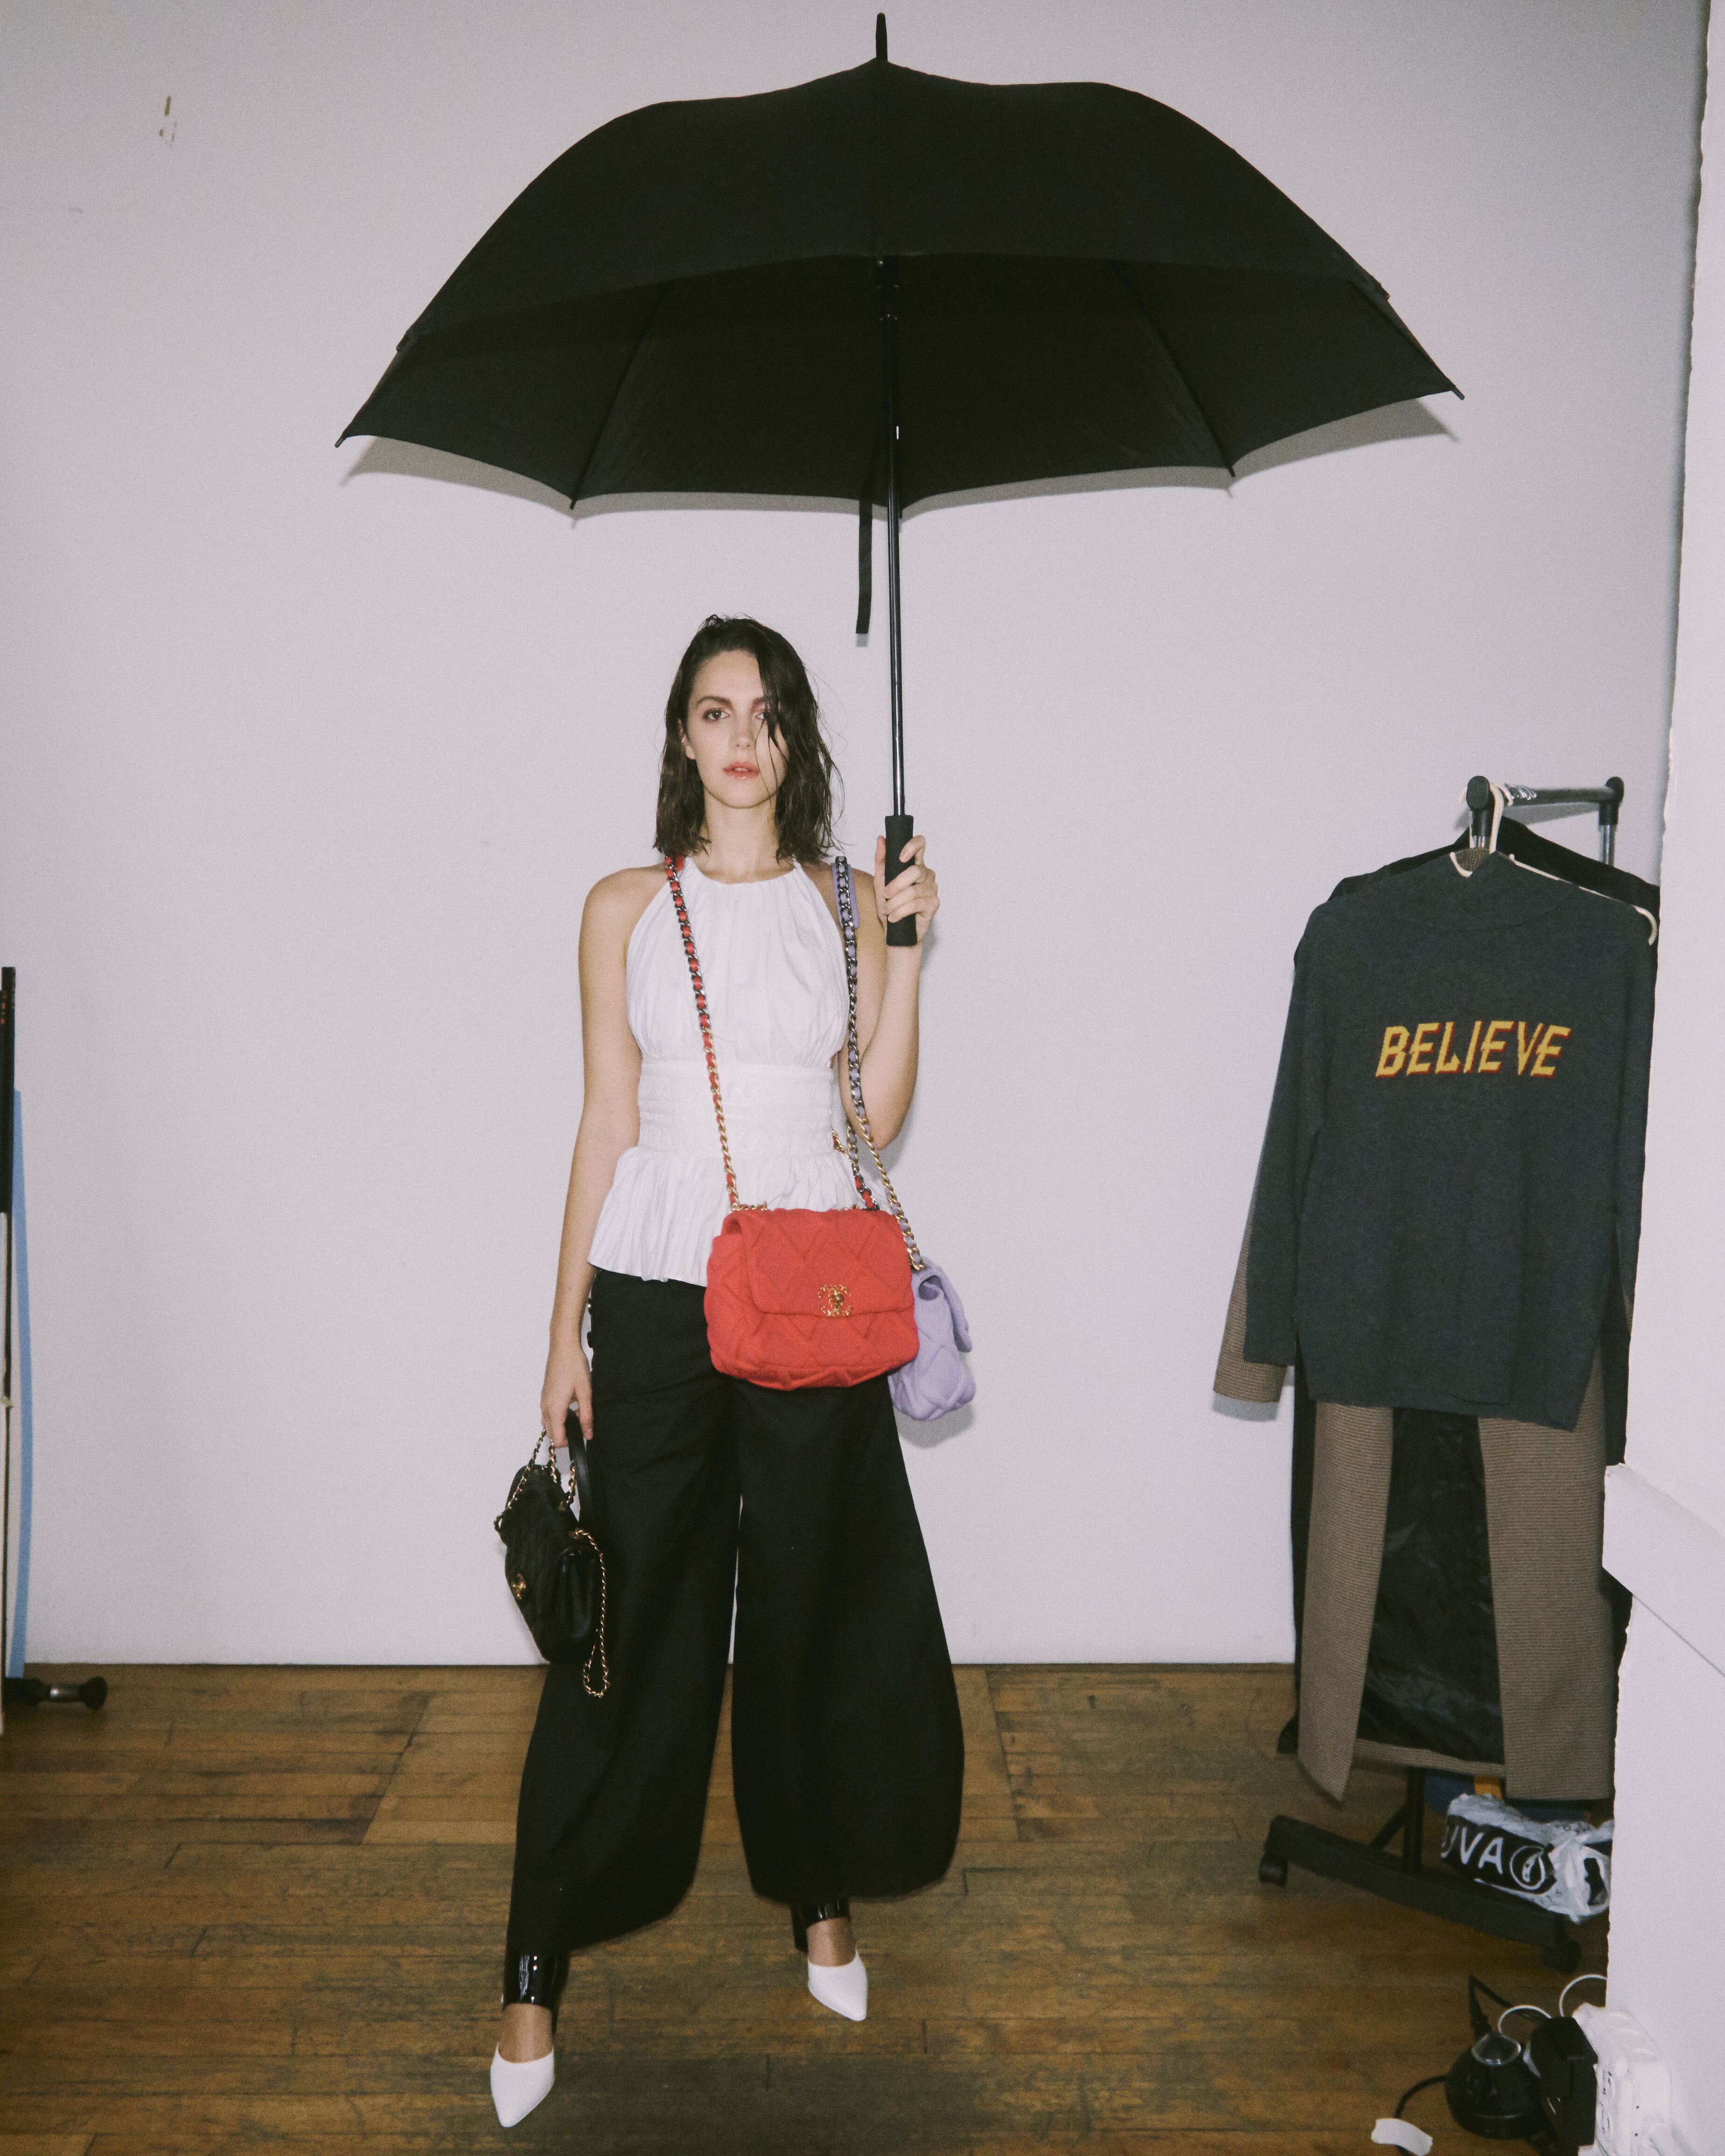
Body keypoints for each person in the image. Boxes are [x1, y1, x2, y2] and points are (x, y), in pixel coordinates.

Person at [490, 615, 966, 2128]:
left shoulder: (846, 901)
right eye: (715, 710)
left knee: (812, 1599)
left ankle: (817, 1883)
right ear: (683, 737)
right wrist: (561, 1331)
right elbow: (604, 1120)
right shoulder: (625, 905)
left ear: (795, 735)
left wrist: (905, 952)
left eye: (765, 711)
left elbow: (870, 1121)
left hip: (808, 1284)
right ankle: (534, 1953)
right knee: (633, 1614)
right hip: (658, 1286)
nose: (742, 736)